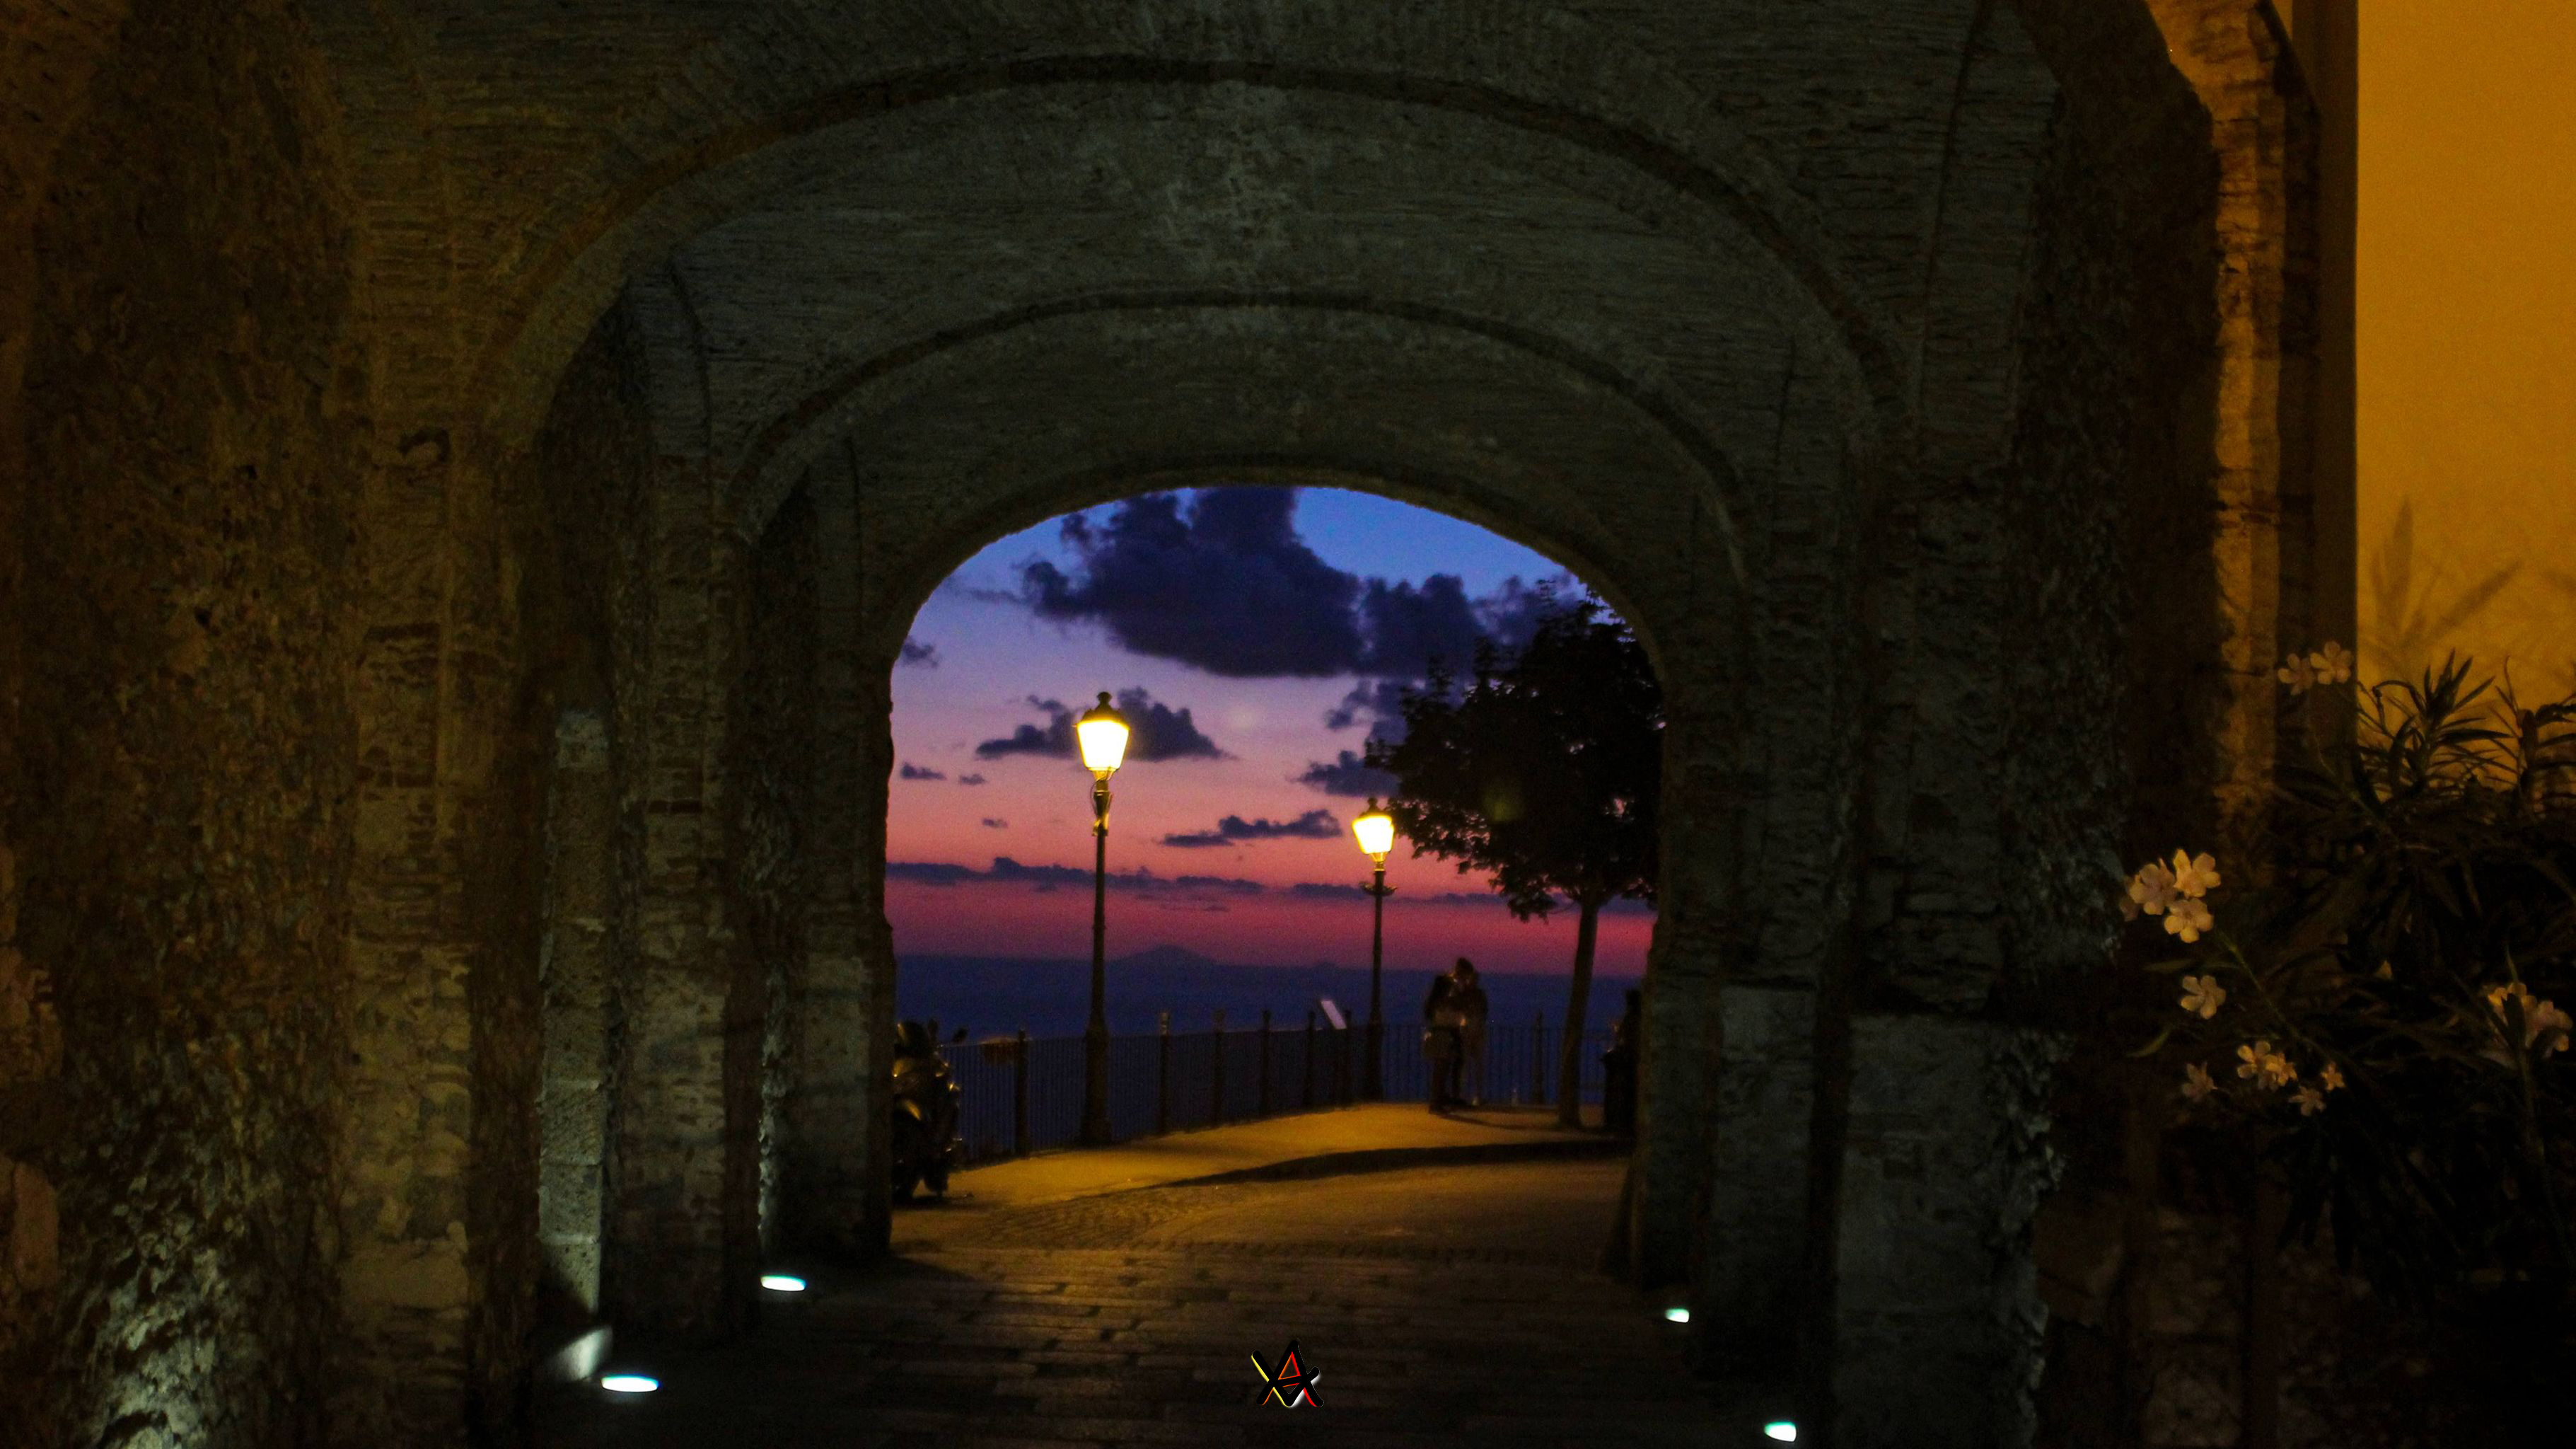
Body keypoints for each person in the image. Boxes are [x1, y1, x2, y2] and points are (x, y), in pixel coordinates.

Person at [1601, 988, 1644, 1136]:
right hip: (1636, 1060)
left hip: (1628, 1061)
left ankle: (1622, 1124)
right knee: (1632, 1094)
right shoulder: (1640, 1018)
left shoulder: (1630, 1018)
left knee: (1626, 1094)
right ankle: (1628, 1124)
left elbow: (1622, 1037)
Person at [1449, 957, 1490, 1108]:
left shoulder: (1475, 994)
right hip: (1468, 1030)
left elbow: (1484, 1010)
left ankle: (1475, 1096)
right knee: (1466, 1064)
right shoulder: (1463, 992)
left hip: (1475, 1029)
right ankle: (1464, 1096)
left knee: (1476, 1065)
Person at [1422, 974, 1462, 1112]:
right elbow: (1450, 1018)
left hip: (1438, 1035)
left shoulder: (1433, 1001)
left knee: (1440, 1070)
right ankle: (1436, 1103)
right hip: (1443, 1036)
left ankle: (1437, 1101)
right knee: (1441, 1071)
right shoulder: (1442, 1002)